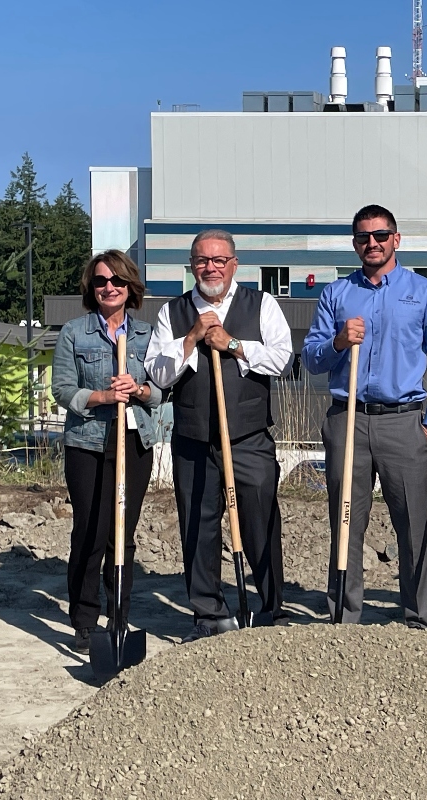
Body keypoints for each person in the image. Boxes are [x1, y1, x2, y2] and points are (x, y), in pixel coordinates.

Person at [302, 204, 427, 630]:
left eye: (380, 235)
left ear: (396, 239)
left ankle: (417, 621)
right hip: (347, 419)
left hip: (404, 422)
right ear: (355, 244)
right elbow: (311, 359)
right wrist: (338, 341)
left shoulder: (426, 294)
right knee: (346, 523)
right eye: (363, 237)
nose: (372, 243)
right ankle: (344, 618)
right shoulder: (336, 294)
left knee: (412, 527)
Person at [145, 229, 294, 642]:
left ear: (234, 264)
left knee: (261, 520)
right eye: (202, 260)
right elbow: (157, 373)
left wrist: (233, 344)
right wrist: (191, 338)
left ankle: (271, 609)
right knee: (199, 525)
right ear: (192, 266)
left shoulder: (261, 304)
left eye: (219, 260)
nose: (211, 268)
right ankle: (209, 614)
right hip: (194, 439)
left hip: (248, 437)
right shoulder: (172, 312)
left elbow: (282, 359)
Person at [52, 250, 161, 653]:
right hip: (87, 443)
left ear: (130, 287)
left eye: (117, 280)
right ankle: (84, 620)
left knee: (122, 534)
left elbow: (161, 391)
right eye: (101, 281)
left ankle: (119, 617)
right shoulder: (74, 332)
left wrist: (140, 390)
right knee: (90, 531)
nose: (109, 287)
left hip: (133, 442)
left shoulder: (148, 335)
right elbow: (62, 389)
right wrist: (102, 396)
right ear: (91, 288)